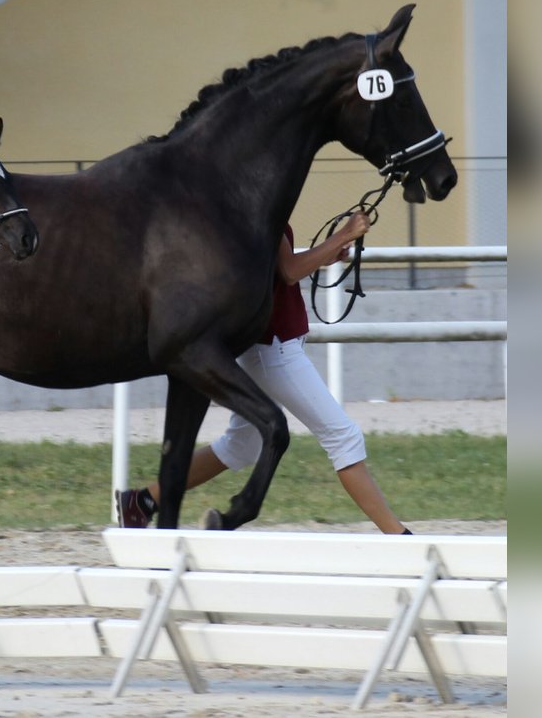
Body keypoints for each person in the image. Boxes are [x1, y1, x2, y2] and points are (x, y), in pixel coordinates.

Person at [116, 213, 412, 535]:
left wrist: (328, 252)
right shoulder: (261, 209)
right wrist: (343, 235)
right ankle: (400, 537)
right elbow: (288, 272)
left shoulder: (255, 205)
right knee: (343, 437)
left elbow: (279, 266)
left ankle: (142, 501)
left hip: (266, 347)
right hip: (274, 350)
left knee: (240, 446)